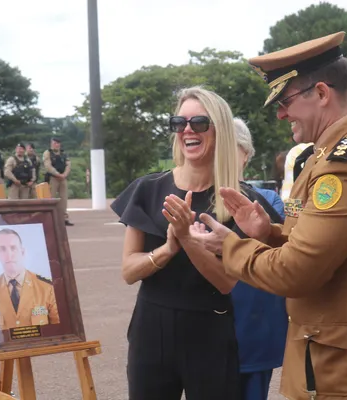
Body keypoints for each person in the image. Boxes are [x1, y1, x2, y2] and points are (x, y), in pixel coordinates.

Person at [189, 31, 347, 399]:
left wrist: (231, 246)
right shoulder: (335, 152)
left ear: (321, 94)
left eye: (286, 100)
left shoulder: (346, 166)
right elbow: (332, 247)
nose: (280, 112)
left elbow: (296, 272)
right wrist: (268, 234)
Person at [110, 86, 282, 400]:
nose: (187, 130)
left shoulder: (240, 202)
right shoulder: (148, 189)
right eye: (179, 123)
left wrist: (188, 240)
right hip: (151, 328)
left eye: (198, 123)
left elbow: (227, 282)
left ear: (220, 131)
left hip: (211, 329)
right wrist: (168, 247)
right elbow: (128, 270)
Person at [231, 117, 288, 400]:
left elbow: (286, 248)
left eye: (232, 147)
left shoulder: (267, 200)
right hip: (206, 326)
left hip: (256, 325)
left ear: (246, 154)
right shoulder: (192, 197)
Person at [0, 228, 59, 331]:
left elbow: (59, 329)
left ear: (22, 252)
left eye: (13, 248)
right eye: (3, 249)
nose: (9, 255)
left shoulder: (46, 288)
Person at [43, 138, 74, 226]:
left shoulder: (64, 154)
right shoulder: (47, 153)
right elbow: (48, 166)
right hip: (53, 178)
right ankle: (50, 219)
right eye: (54, 143)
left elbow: (68, 165)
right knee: (51, 198)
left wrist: (64, 174)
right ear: (51, 144)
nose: (56, 145)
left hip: (63, 178)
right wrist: (57, 174)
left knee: (63, 199)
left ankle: (63, 218)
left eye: (58, 143)